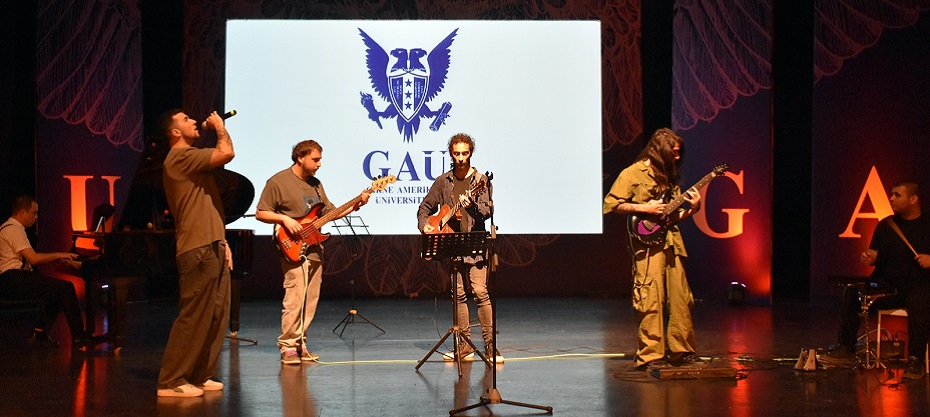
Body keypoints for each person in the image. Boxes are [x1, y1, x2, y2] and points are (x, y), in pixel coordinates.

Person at [256, 139, 371, 365]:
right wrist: (285, 219)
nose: (319, 164)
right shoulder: (278, 181)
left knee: (310, 298)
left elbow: (330, 212)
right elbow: (261, 213)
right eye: (315, 159)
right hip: (292, 247)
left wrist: (357, 203)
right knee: (295, 296)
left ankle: (300, 343)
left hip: (314, 248)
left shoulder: (316, 184)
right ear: (300, 157)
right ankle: (288, 345)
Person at [602, 127, 702, 370]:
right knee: (650, 299)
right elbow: (611, 204)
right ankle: (651, 355)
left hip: (672, 243)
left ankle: (682, 351)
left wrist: (694, 209)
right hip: (646, 247)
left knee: (680, 299)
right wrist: (644, 208)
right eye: (674, 152)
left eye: (679, 153)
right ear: (660, 150)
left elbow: (673, 217)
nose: (678, 157)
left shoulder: (668, 176)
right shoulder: (634, 173)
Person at [155, 109, 234, 398]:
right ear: (175, 132)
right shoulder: (179, 157)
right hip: (197, 248)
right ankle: (171, 380)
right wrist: (219, 128)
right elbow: (226, 153)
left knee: (215, 314)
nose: (192, 121)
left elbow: (211, 206)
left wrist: (223, 244)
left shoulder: (191, 160)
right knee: (193, 315)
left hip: (212, 244)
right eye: (186, 120)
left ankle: (199, 374)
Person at [821, 181, 930, 379]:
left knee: (921, 300)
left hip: (919, 286)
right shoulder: (886, 225)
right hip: (888, 286)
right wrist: (870, 257)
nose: (891, 199)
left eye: (897, 195)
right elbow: (877, 255)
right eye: (891, 194)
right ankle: (846, 347)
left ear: (913, 199)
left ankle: (916, 360)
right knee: (852, 291)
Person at [417, 133, 502, 363]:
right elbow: (425, 207)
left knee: (481, 293)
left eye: (465, 153)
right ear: (451, 154)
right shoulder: (443, 181)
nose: (461, 158)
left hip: (474, 244)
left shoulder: (480, 181)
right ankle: (464, 348)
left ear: (471, 153)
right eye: (457, 154)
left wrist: (472, 206)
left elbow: (486, 212)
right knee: (458, 295)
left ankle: (490, 348)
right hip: (451, 245)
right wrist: (426, 225)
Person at [0, 195, 94, 348]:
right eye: (34, 213)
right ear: (22, 213)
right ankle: (79, 335)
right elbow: (34, 259)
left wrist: (60, 260)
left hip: (11, 279)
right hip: (13, 280)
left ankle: (40, 333)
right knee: (66, 287)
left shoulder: (7, 228)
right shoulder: (14, 230)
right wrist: (59, 254)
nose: (36, 217)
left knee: (56, 290)